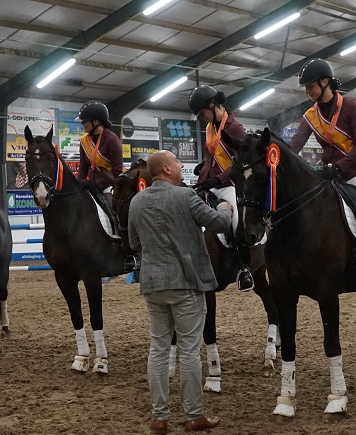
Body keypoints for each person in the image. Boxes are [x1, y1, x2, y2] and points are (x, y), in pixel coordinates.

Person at [128, 151, 225, 433]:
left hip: (153, 284)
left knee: (158, 350)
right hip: (185, 284)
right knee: (189, 351)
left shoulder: (136, 201)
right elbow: (219, 225)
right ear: (168, 169)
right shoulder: (185, 196)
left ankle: (160, 417)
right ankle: (194, 415)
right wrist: (226, 209)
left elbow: (134, 242)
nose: (183, 166)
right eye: (179, 163)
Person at [288, 58, 356, 289]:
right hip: (329, 173)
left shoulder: (350, 107)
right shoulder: (310, 116)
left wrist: (340, 166)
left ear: (325, 82)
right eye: (307, 87)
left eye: (310, 86)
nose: (308, 91)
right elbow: (295, 145)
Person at [188, 84, 255, 292]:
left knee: (237, 222)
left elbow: (240, 163)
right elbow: (210, 157)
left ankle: (245, 269)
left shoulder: (235, 128)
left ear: (212, 105)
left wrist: (217, 180)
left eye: (202, 113)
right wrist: (203, 176)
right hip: (213, 182)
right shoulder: (210, 128)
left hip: (232, 184)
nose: (202, 118)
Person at [75, 101, 124, 204]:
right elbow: (83, 168)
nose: (82, 123)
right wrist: (78, 187)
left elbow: (117, 171)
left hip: (110, 186)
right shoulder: (84, 141)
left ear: (96, 122)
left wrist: (97, 184)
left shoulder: (112, 140)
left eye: (85, 121)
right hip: (91, 185)